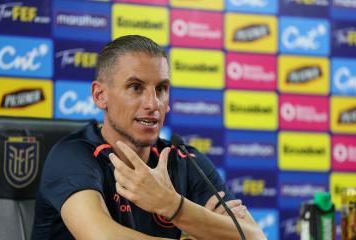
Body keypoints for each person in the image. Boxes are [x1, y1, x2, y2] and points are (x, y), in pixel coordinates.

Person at [32, 35, 266, 240]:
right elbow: (103, 236)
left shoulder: (185, 159)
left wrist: (171, 204)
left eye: (161, 89)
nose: (152, 104)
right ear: (100, 95)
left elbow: (255, 237)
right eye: (135, 87)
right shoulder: (73, 155)